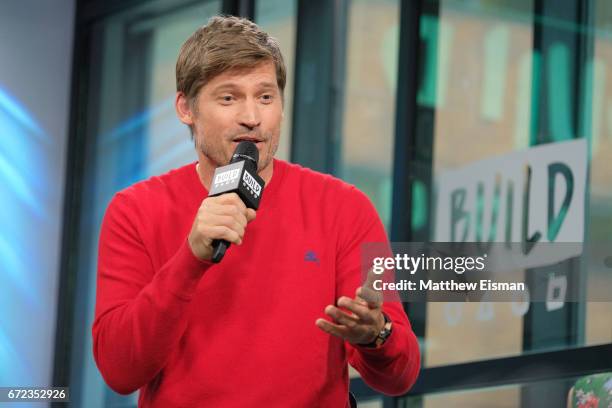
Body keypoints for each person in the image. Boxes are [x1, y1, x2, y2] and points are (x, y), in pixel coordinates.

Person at [92, 15, 420, 407]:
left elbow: (400, 376)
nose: (252, 116)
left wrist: (376, 334)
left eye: (265, 97)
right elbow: (119, 370)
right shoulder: (136, 210)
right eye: (229, 98)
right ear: (186, 107)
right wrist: (190, 259)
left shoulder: (343, 207)